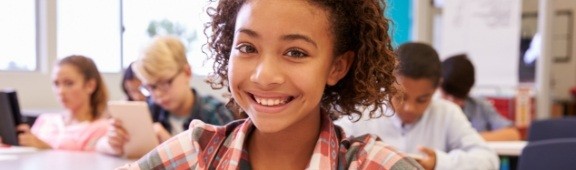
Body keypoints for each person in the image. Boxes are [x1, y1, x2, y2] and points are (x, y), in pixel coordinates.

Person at [120, 0, 423, 169]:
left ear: (336, 66)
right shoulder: (196, 153)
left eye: (295, 52)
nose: (264, 76)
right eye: (248, 48)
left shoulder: (375, 166)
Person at [336, 42, 499, 170]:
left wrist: (439, 163)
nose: (410, 108)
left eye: (422, 99)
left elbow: (488, 159)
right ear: (387, 82)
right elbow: (329, 149)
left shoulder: (447, 113)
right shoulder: (362, 113)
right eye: (400, 97)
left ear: (436, 89)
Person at [98, 36, 236, 156]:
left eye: (164, 83)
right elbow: (100, 145)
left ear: (187, 72)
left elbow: (229, 160)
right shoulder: (150, 110)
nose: (157, 94)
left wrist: (172, 147)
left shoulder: (213, 113)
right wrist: (112, 143)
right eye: (150, 87)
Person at [15, 55, 109, 151]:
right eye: (56, 84)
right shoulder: (45, 120)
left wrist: (46, 149)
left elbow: (90, 163)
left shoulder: (101, 128)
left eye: (69, 83)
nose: (60, 91)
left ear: (90, 86)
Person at [440, 54, 521, 141]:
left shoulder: (479, 106)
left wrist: (469, 139)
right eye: (446, 94)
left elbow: (513, 134)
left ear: (468, 90)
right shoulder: (432, 109)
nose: (451, 100)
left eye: (458, 97)